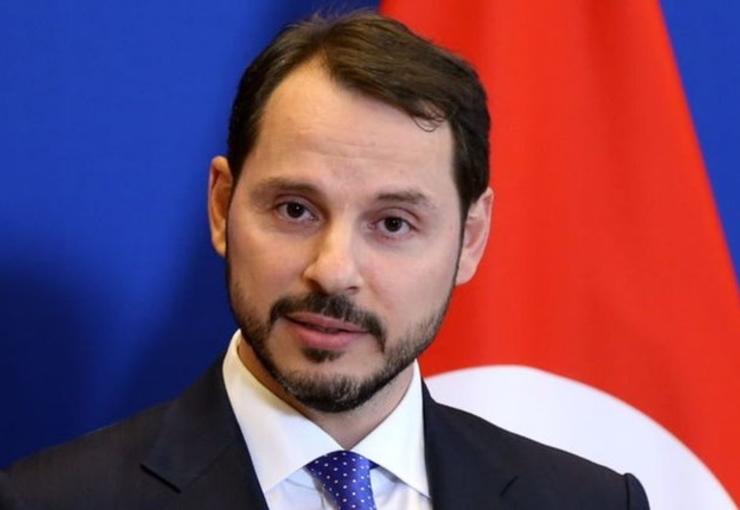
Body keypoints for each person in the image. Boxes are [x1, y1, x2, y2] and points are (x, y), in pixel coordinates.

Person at [1, 11, 649, 510]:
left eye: (393, 224)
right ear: (223, 207)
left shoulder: (591, 503)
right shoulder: (48, 502)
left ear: (470, 239)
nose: (333, 270)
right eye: (295, 210)